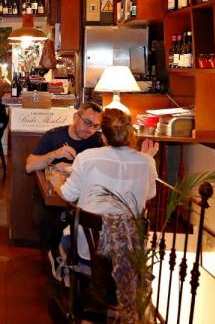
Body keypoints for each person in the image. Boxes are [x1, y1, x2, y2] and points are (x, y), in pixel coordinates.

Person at [49, 109, 158, 276]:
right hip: (128, 251)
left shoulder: (86, 157)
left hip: (90, 250)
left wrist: (56, 183)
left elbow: (69, 195)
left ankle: (68, 276)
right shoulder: (147, 161)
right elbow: (149, 194)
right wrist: (144, 159)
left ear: (104, 137)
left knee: (61, 240)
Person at [25, 101, 105, 264]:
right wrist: (55, 154)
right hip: (55, 195)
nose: (90, 130)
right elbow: (29, 166)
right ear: (76, 117)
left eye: (95, 126)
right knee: (47, 217)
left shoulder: (98, 141)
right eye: (87, 123)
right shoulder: (54, 135)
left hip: (83, 198)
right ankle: (56, 259)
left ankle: (74, 262)